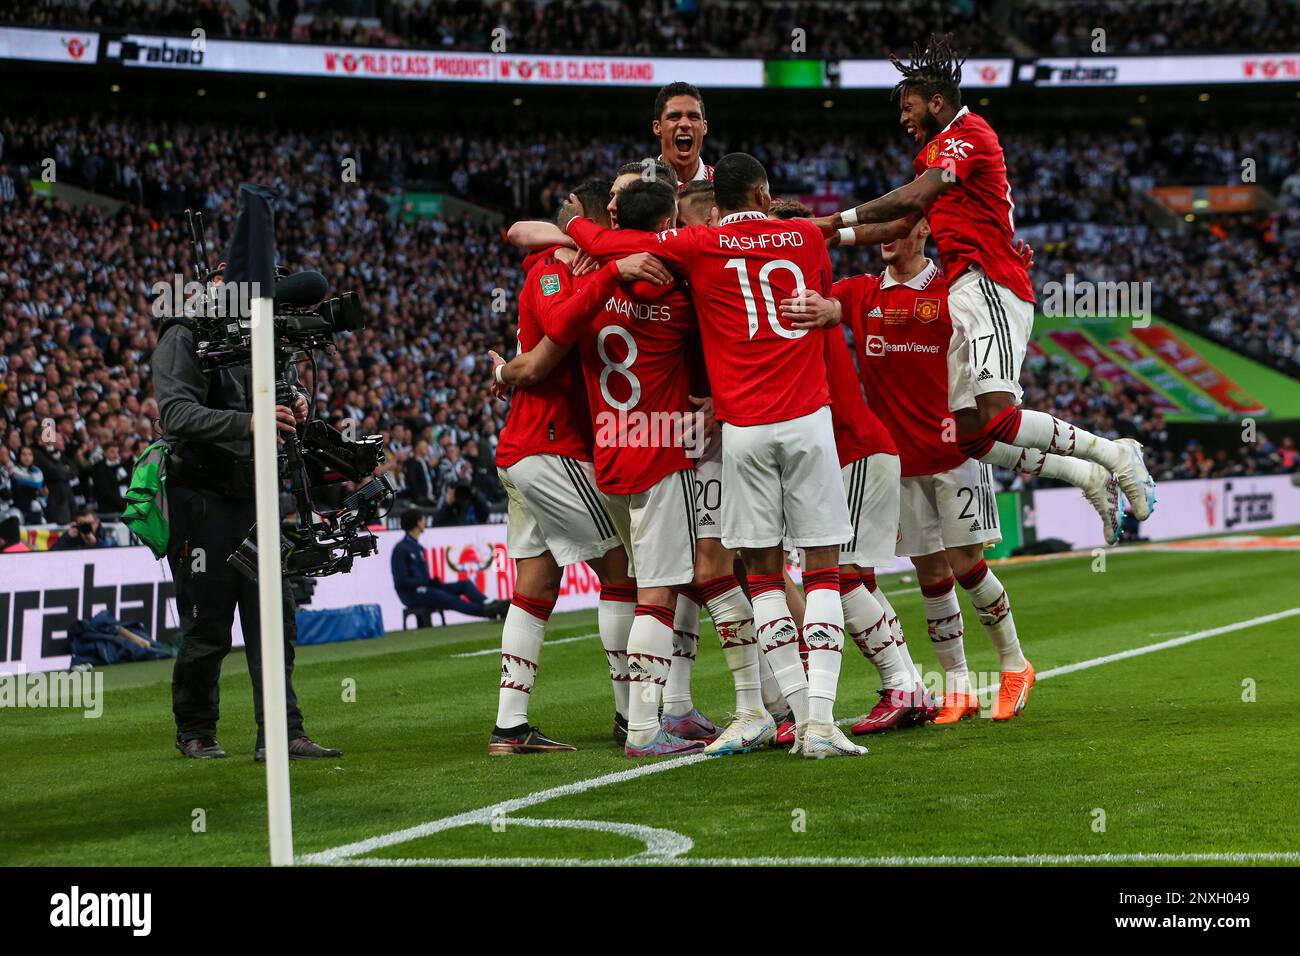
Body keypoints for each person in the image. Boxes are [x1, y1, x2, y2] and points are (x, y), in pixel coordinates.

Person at [560, 152, 867, 758]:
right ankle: (810, 720)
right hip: (785, 423)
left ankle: (784, 709)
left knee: (759, 578)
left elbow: (603, 239)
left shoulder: (694, 245)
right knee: (811, 572)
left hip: (734, 431)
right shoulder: (801, 233)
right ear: (762, 190)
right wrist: (837, 306)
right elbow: (850, 245)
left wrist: (575, 228)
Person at [818, 35, 1150, 549]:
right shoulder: (934, 153)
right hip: (965, 289)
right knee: (972, 434)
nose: (903, 119)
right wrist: (828, 234)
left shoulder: (967, 134)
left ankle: (1115, 455)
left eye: (908, 108)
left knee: (999, 411)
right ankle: (1084, 477)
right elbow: (902, 220)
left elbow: (916, 196)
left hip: (991, 281)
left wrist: (831, 217)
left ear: (936, 102)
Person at [783, 217, 1036, 723]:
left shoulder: (952, 290)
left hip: (957, 452)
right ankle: (959, 687)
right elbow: (824, 305)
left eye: (896, 230)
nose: (885, 239)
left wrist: (1010, 273)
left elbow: (998, 314)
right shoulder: (859, 293)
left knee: (967, 565)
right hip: (900, 460)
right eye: (879, 233)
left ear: (922, 231)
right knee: (931, 574)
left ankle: (1014, 664)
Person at [152, 302, 340, 762]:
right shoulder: (185, 333)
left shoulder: (264, 333)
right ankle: (196, 730)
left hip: (257, 493)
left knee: (275, 616)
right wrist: (249, 422)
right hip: (202, 498)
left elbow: (283, 391)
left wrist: (295, 401)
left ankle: (283, 731)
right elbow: (175, 413)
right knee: (208, 622)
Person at [391, 510, 507, 619]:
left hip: (426, 587)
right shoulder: (401, 549)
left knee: (464, 584)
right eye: (422, 520)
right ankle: (489, 611)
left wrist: (431, 582)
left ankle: (487, 603)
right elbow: (401, 581)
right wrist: (427, 582)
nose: (424, 523)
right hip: (410, 594)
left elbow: (423, 578)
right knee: (450, 599)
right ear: (417, 523)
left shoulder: (417, 547)